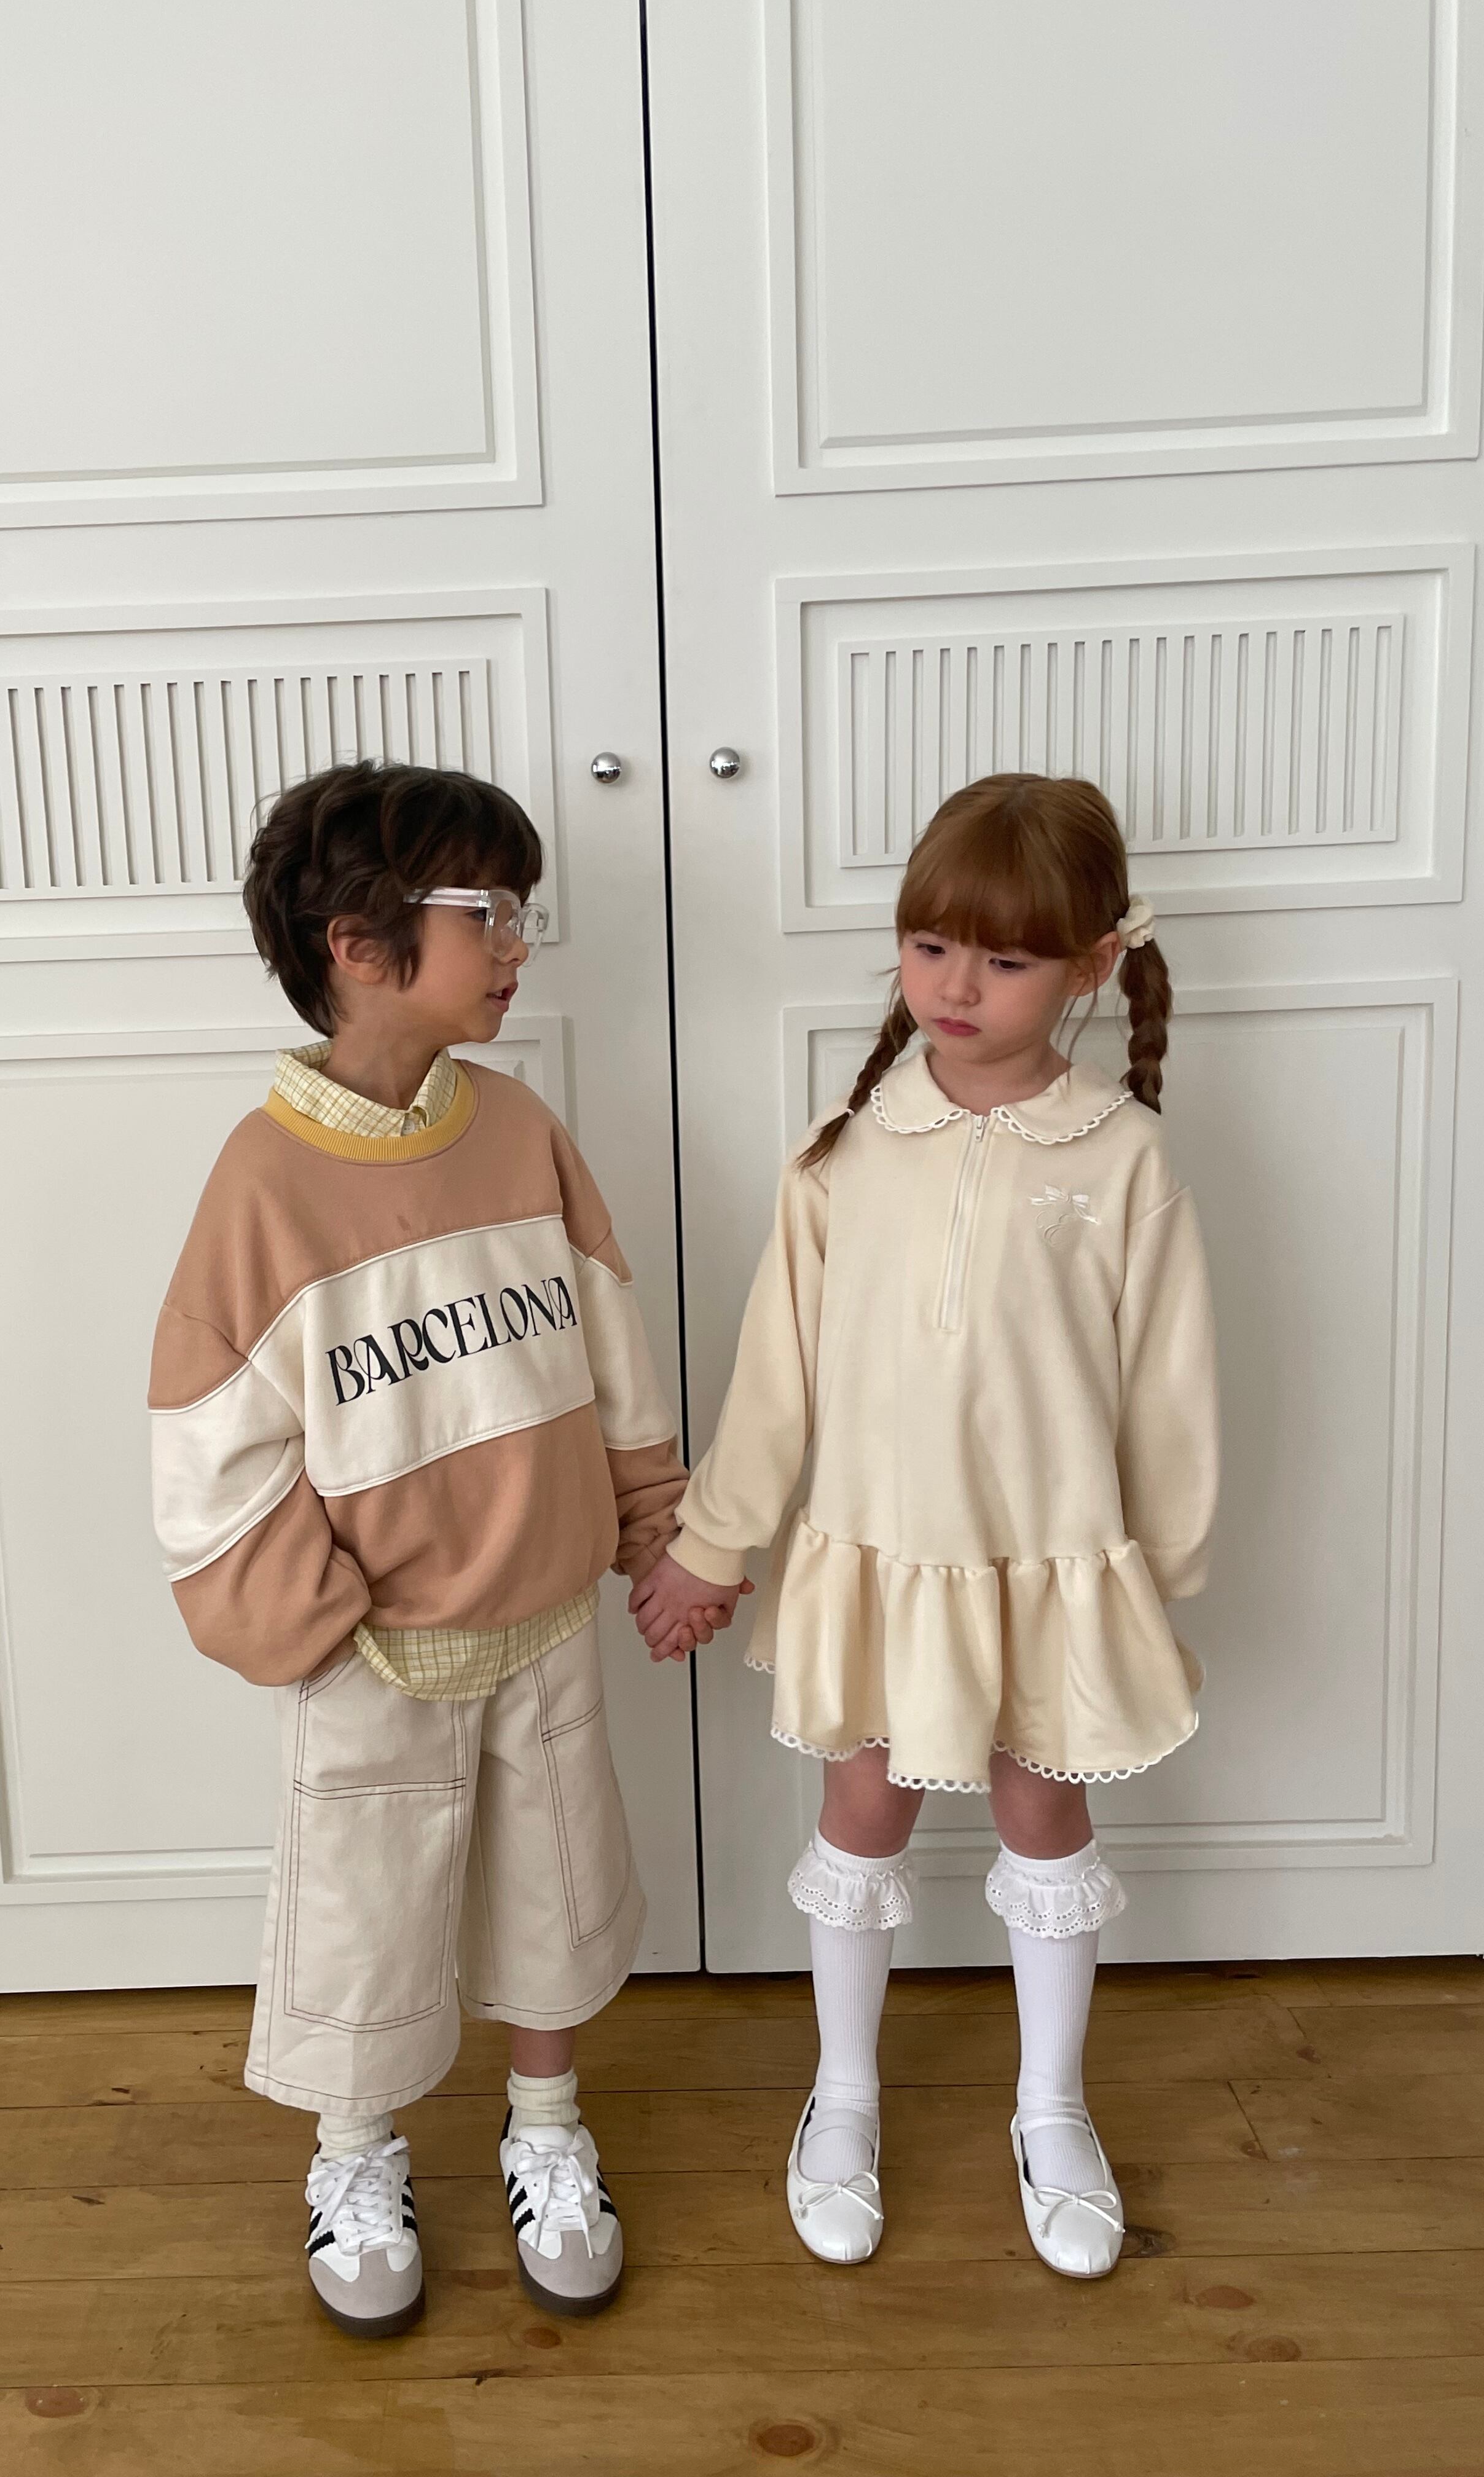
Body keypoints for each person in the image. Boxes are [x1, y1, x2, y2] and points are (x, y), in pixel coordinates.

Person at [632, 773, 1219, 2280]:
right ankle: (844, 2094)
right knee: (864, 1813)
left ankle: (1052, 2106)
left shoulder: (1124, 1158)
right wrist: (713, 1540)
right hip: (882, 1559)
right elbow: (778, 1373)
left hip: (1049, 1566)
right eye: (930, 946)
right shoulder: (846, 1149)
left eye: (1006, 958)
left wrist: (1158, 1572)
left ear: (1092, 964)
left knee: (1046, 1818)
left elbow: (1170, 1388)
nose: (958, 986)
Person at [149, 761, 686, 2336]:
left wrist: (651, 1527)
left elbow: (612, 1347)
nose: (518, 944)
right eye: (488, 912)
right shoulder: (262, 1184)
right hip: (372, 1653)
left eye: (523, 913)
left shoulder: (519, 1131)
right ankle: (356, 2156)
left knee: (551, 1892)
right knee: (365, 1911)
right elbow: (209, 1442)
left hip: (544, 1619)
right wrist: (312, 1622)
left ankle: (547, 2130)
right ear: (359, 941)